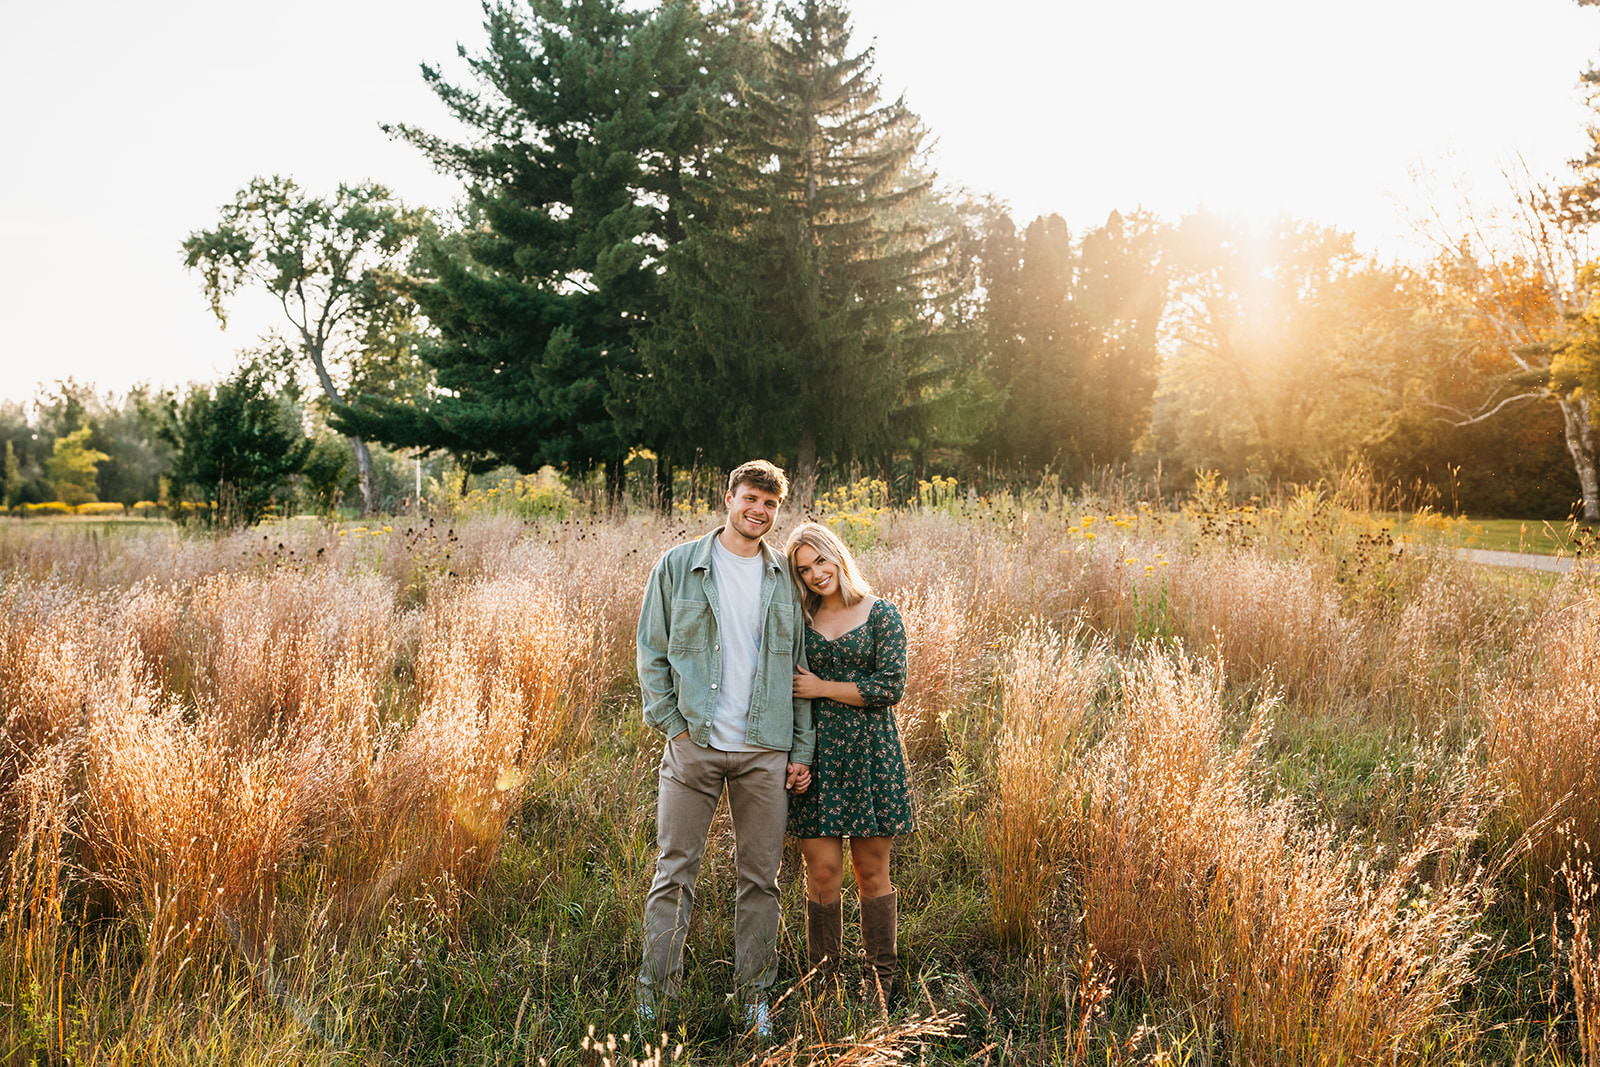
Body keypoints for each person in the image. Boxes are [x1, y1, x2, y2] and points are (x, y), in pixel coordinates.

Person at [635, 460, 814, 1038]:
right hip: (696, 745)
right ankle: (655, 999)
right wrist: (676, 731)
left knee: (761, 879)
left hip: (766, 748)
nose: (759, 511)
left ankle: (754, 999)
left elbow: (799, 669)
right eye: (750, 499)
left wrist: (800, 749)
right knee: (674, 872)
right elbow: (651, 653)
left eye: (770, 504)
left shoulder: (785, 578)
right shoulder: (679, 566)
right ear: (728, 498)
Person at [783, 522, 913, 1012]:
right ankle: (824, 987)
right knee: (822, 872)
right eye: (804, 569)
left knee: (871, 870)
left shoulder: (881, 614)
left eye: (821, 561)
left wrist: (822, 688)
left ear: (838, 556)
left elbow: (889, 687)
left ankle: (883, 986)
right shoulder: (799, 620)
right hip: (815, 758)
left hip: (871, 756)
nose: (817, 574)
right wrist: (795, 755)